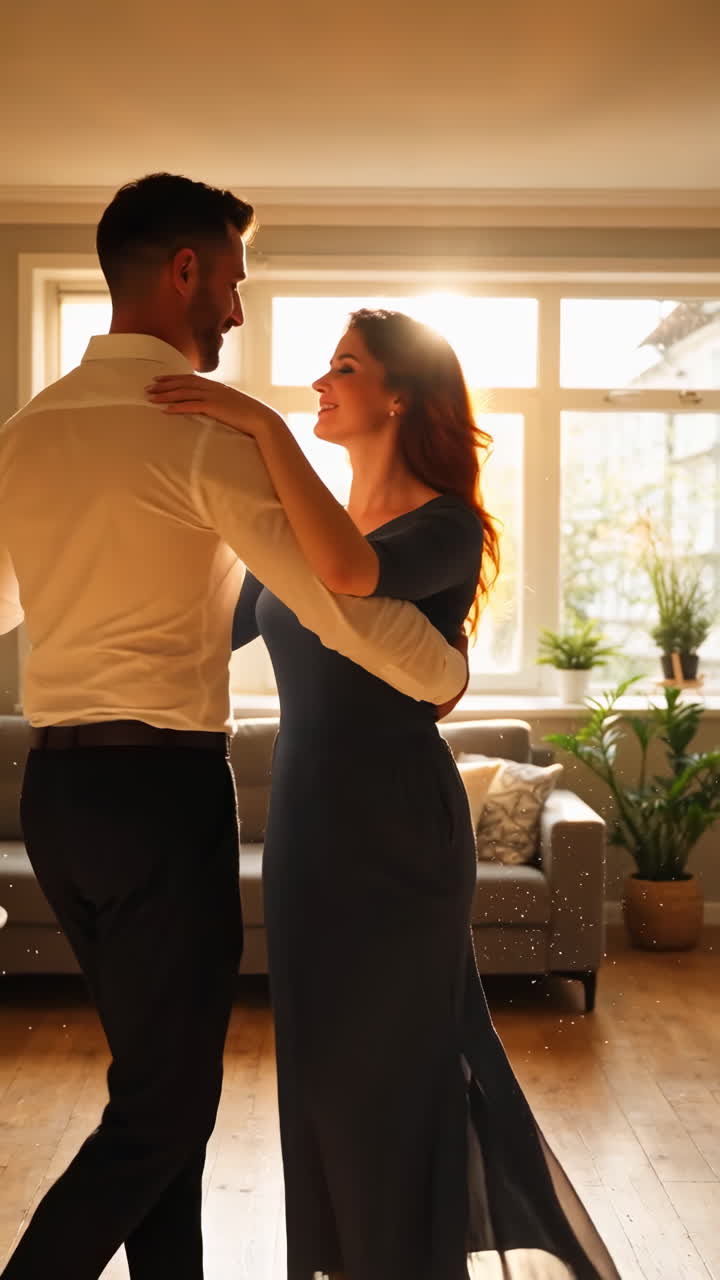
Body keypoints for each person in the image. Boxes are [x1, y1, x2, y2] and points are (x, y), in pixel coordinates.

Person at [0, 178, 470, 1280]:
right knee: (167, 1109)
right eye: (233, 281)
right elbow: (329, 596)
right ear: (184, 272)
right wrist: (441, 670)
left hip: (55, 802)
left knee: (154, 1088)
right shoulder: (198, 431)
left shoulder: (25, 432)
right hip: (161, 801)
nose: (239, 313)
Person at [147, 311, 621, 1280]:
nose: (321, 382)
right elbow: (199, 621)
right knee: (319, 1079)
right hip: (306, 832)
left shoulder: (442, 524)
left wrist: (261, 426)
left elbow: (351, 576)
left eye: (343, 367)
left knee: (391, 1080)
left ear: (400, 395)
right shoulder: (305, 531)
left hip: (397, 834)